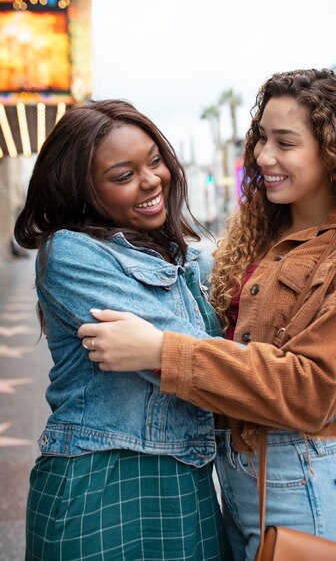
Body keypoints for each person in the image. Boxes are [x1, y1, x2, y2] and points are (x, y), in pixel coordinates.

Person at [78, 69, 336, 561]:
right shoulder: (258, 232)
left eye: (285, 142)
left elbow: (311, 388)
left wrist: (161, 352)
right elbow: (224, 339)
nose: (263, 155)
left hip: (308, 484)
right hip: (234, 480)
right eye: (260, 139)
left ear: (332, 147)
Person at [14, 99, 232, 561]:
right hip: (100, 483)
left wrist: (330, 376)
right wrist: (300, 380)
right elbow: (194, 357)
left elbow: (244, 341)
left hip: (184, 481)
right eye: (123, 175)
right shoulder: (72, 253)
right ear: (83, 190)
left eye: (154, 161)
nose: (151, 180)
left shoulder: (188, 258)